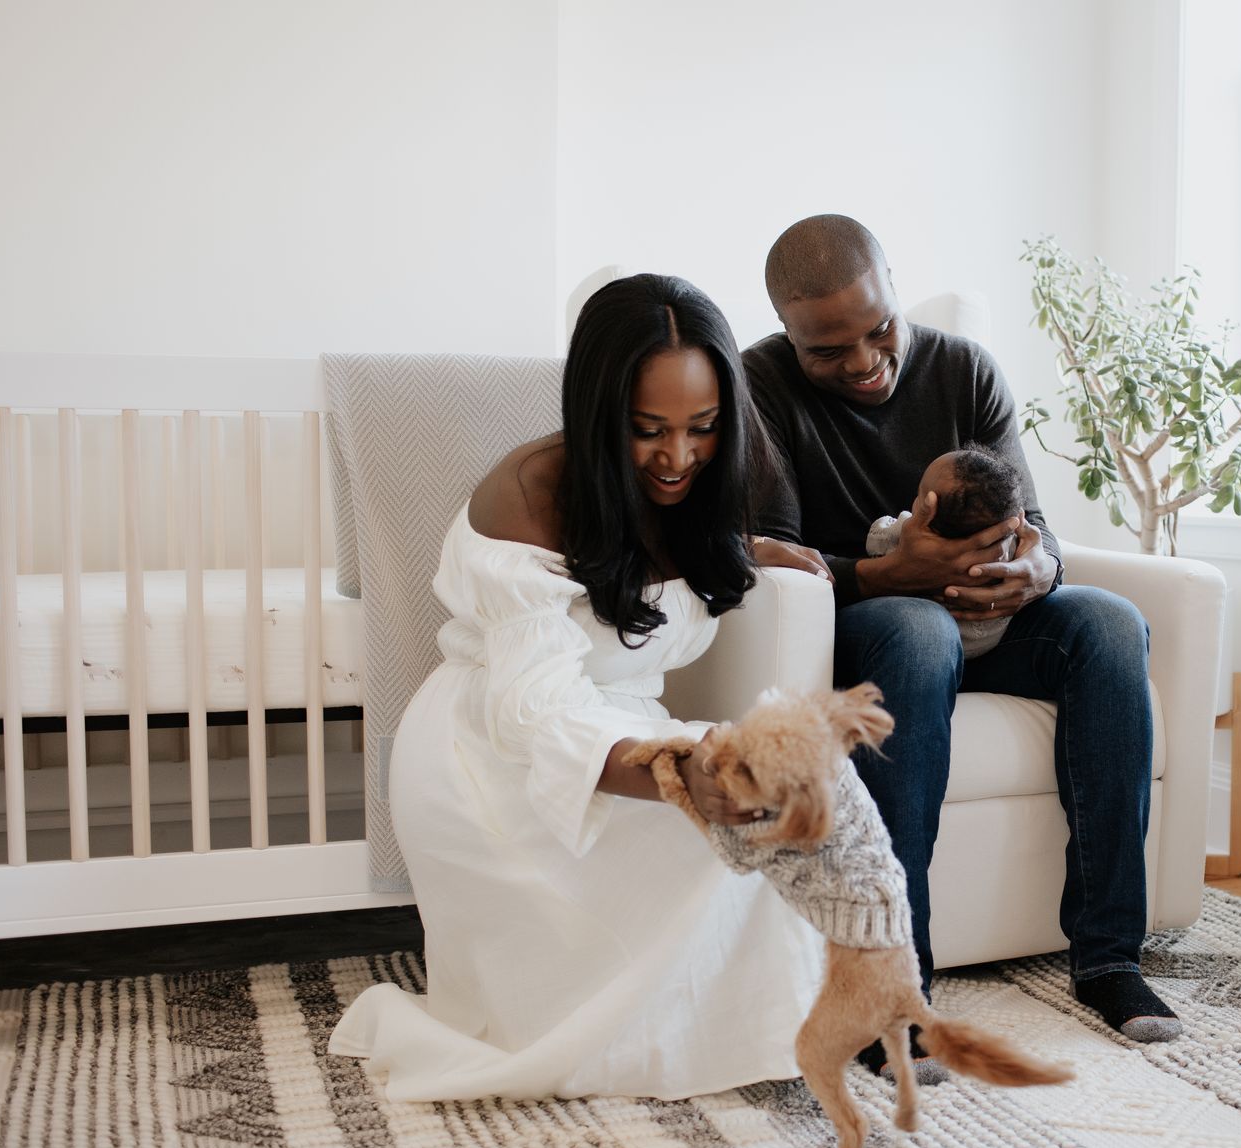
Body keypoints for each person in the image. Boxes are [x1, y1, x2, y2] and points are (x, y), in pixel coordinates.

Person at [328, 274, 827, 1102]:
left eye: (702, 429)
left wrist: (740, 550)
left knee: (769, 824)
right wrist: (677, 776)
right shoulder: (528, 497)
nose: (677, 457)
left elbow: (674, 563)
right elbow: (538, 712)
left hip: (621, 728)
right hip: (491, 753)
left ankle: (758, 1029)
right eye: (647, 431)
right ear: (599, 414)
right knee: (695, 854)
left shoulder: (703, 487)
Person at [743, 215, 1182, 1077]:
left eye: (880, 330)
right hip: (866, 624)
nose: (867, 361)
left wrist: (1038, 571)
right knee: (918, 627)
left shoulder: (965, 369)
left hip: (991, 617)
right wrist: (886, 575)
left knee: (1108, 622)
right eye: (831, 350)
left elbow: (1040, 529)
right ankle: (892, 985)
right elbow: (776, 560)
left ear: (895, 288)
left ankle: (1109, 958)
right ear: (787, 331)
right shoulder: (758, 385)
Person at [864, 445, 1024, 660]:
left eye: (919, 493)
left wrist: (890, 524)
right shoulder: (1010, 545)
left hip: (931, 639)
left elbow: (875, 540)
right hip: (989, 638)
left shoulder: (906, 534)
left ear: (927, 509)